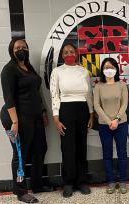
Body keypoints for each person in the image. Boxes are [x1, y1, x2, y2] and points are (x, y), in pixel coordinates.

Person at [0, 38, 52, 203]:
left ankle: (37, 184)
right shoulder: (9, 70)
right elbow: (8, 99)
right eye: (17, 47)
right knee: (20, 155)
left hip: (35, 116)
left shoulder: (28, 67)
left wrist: (43, 111)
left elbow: (35, 92)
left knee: (40, 148)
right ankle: (21, 191)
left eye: (24, 47)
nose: (21, 49)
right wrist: (14, 123)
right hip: (17, 118)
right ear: (11, 51)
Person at [50, 43, 94, 198]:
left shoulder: (84, 72)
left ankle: (81, 181)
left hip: (82, 110)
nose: (69, 54)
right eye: (66, 52)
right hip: (65, 111)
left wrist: (91, 114)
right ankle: (68, 182)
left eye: (71, 51)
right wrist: (56, 118)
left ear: (76, 53)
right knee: (68, 148)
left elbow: (89, 95)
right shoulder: (57, 72)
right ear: (62, 55)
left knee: (81, 147)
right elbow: (54, 95)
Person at [94, 58, 129, 194]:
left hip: (121, 123)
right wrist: (109, 122)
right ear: (102, 70)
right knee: (107, 154)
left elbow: (124, 104)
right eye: (106, 67)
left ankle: (123, 181)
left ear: (116, 69)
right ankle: (110, 182)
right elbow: (96, 105)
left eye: (112, 67)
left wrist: (116, 119)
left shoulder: (121, 85)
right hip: (104, 125)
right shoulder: (98, 86)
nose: (109, 69)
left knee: (122, 153)